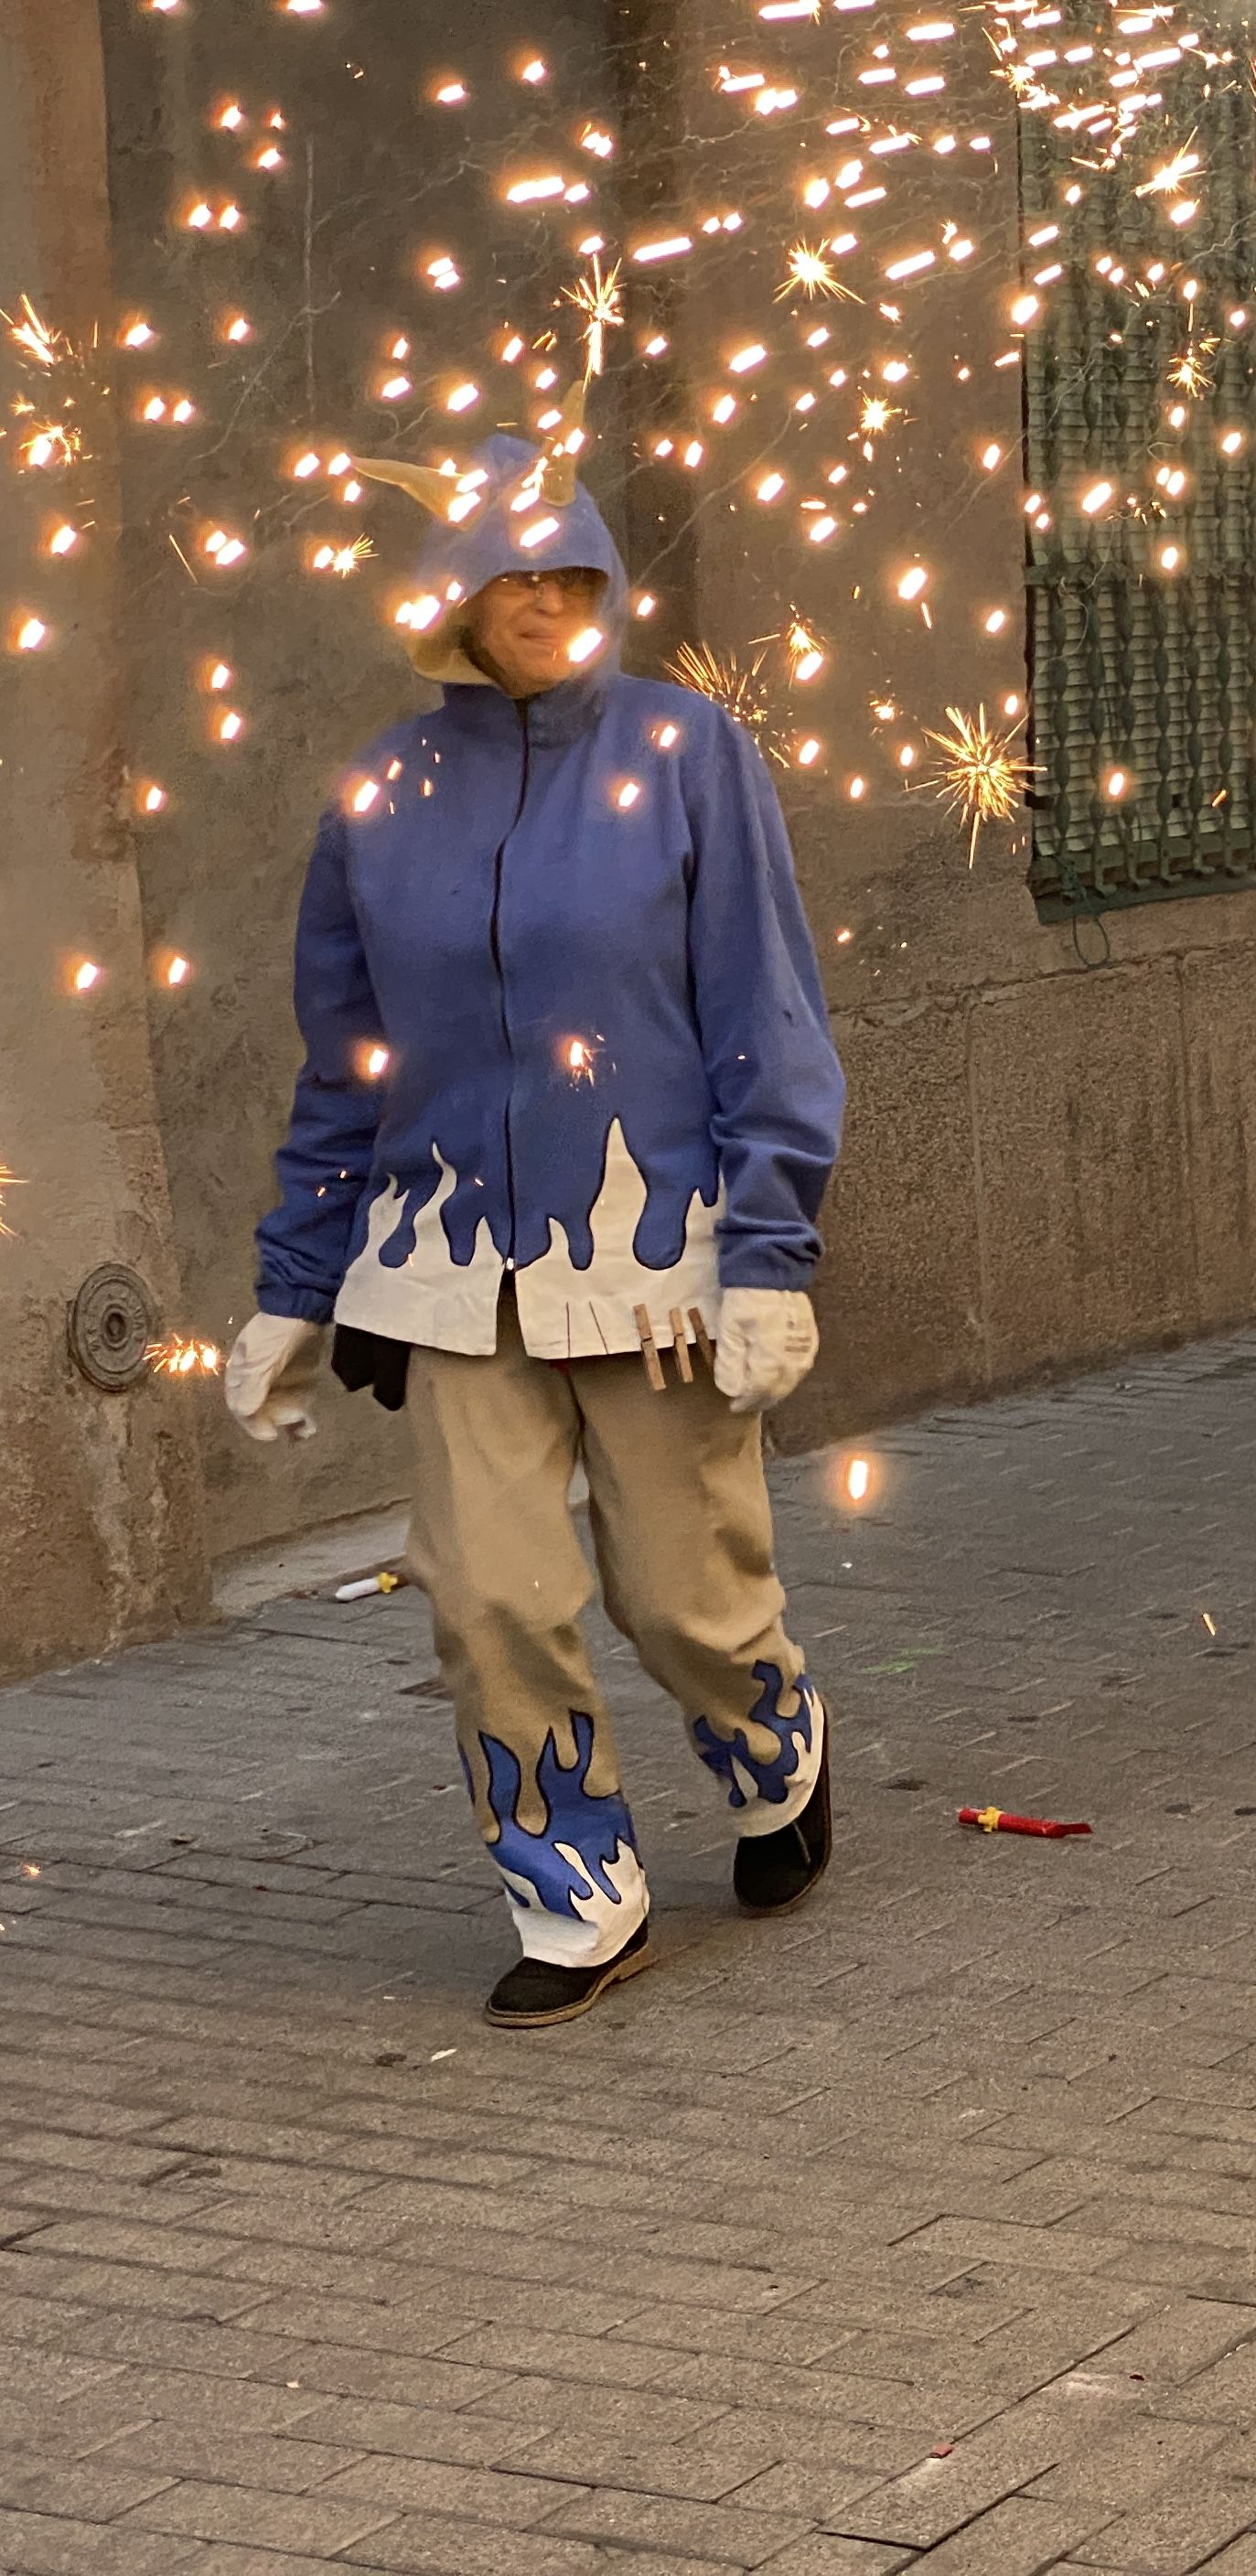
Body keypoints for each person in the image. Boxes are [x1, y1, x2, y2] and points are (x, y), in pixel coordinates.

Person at [223, 392, 846, 2028]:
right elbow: (344, 1060)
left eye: (578, 577)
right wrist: (296, 1282)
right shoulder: (379, 792)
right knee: (489, 1593)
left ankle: (772, 1735)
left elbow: (761, 1006)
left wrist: (770, 1249)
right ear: (456, 598)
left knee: (680, 1593)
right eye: (523, 583)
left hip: (647, 1258)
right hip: (441, 1268)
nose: (555, 606)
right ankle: (575, 1883)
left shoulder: (687, 753)